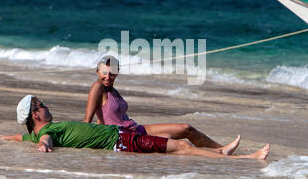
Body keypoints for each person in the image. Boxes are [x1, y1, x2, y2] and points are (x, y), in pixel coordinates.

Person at [0, 95, 270, 160]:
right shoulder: (47, 131)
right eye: (42, 105)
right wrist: (45, 146)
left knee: (183, 136)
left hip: (123, 135)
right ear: (35, 114)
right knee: (183, 147)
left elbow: (23, 136)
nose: (47, 106)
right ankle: (243, 159)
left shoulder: (33, 132)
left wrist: (6, 137)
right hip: (122, 142)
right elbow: (44, 140)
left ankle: (220, 151)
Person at [84, 55, 239, 153]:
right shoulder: (97, 88)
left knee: (186, 128)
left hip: (135, 128)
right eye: (104, 73)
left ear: (117, 73)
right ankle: (217, 154)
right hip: (125, 136)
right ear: (97, 71)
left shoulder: (112, 89)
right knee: (170, 138)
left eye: (111, 73)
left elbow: (102, 117)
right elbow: (87, 122)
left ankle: (220, 148)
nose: (107, 76)